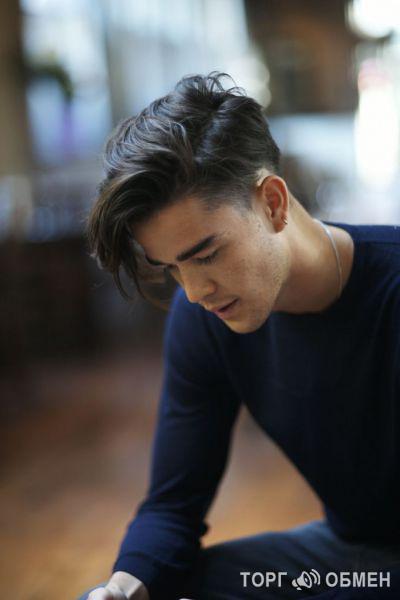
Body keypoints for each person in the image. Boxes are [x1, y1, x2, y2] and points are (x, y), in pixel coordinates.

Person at [79, 73, 400, 600]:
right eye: (173, 267)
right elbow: (174, 503)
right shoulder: (204, 319)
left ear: (273, 202)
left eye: (206, 255)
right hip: (348, 555)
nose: (195, 291)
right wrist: (122, 588)